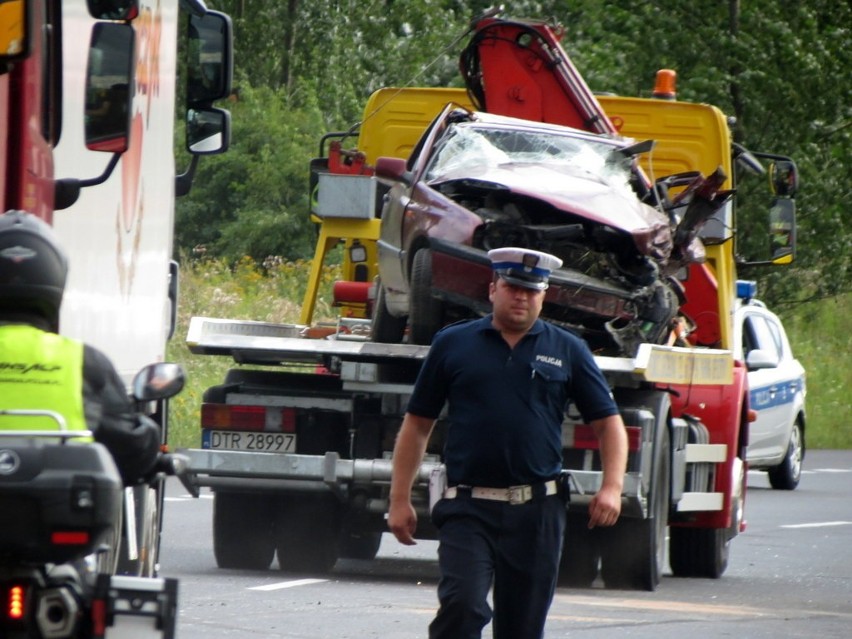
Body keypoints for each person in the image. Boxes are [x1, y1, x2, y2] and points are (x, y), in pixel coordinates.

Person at [388, 246, 628, 639]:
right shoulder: (454, 344)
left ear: (544, 295)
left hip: (538, 512)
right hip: (468, 506)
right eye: (513, 287)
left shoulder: (567, 349)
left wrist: (612, 487)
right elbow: (417, 424)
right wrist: (398, 499)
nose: (521, 296)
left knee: (522, 628)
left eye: (532, 290)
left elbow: (608, 424)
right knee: (463, 606)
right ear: (493, 289)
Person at [0, 210, 160, 484]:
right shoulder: (82, 360)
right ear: (55, 277)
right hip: (61, 508)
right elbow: (125, 443)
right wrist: (148, 434)